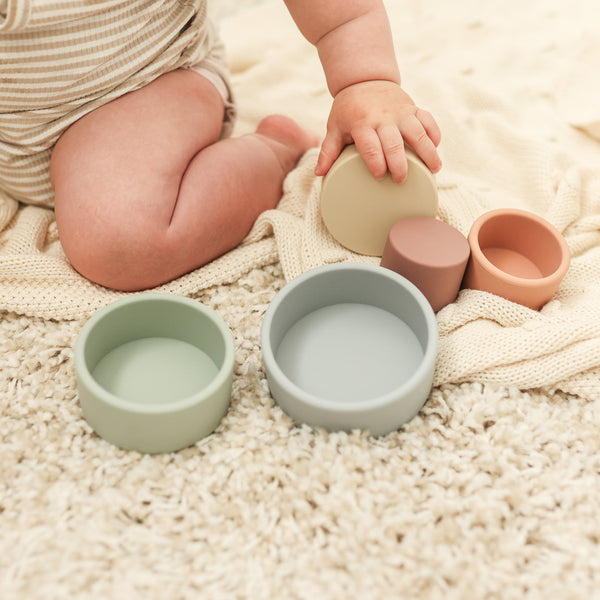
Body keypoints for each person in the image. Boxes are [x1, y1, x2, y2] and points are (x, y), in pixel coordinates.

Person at [0, 0, 442, 291]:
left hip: (137, 88)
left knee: (120, 240)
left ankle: (272, 153)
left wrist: (365, 80)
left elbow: (338, 12)